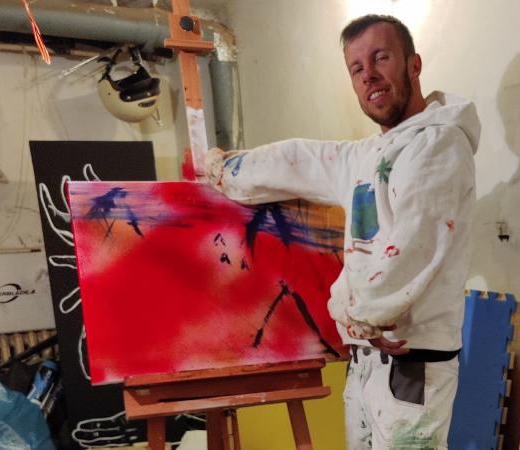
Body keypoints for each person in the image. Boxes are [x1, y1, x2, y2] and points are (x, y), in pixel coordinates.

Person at [205, 14, 480, 449]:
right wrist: (227, 171)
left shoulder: (439, 145)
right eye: (356, 68)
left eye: (381, 57)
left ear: (414, 64)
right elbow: (302, 159)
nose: (368, 74)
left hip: (412, 366)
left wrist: (357, 315)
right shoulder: (368, 155)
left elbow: (410, 246)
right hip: (367, 359)